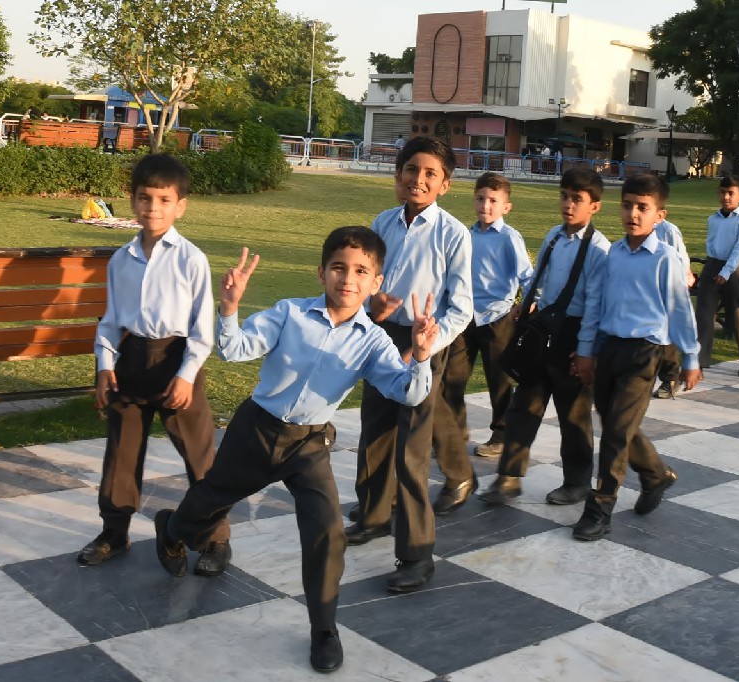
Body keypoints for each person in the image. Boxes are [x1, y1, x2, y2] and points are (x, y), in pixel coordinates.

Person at [154, 228, 439, 674]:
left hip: (309, 445)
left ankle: (324, 628)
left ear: (376, 282)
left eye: (361, 271)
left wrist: (420, 357)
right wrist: (229, 308)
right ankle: (171, 528)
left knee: (327, 532)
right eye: (339, 267)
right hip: (256, 431)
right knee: (208, 501)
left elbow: (408, 394)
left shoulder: (372, 340)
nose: (348, 279)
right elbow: (234, 349)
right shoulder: (289, 313)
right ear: (322, 272)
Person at [79, 154, 231, 576]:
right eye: (145, 198)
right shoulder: (121, 260)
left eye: (164, 200)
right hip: (130, 361)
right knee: (121, 452)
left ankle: (216, 538)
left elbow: (202, 329)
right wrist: (104, 365)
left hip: (176, 361)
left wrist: (186, 376)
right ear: (132, 201)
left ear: (180, 206)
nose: (153, 208)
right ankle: (114, 531)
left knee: (199, 454)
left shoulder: (190, 259)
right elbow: (111, 319)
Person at [345, 137, 473, 595]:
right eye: (411, 169)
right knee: (375, 432)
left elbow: (461, 307)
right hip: (382, 339)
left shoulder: (453, 234)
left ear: (445, 184)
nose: (418, 179)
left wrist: (425, 343)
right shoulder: (383, 223)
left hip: (425, 345)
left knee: (413, 449)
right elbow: (367, 280)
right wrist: (373, 304)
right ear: (398, 174)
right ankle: (374, 515)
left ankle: (417, 556)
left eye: (430, 174)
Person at [573, 173, 700, 540]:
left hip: (644, 353)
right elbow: (596, 305)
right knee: (616, 422)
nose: (633, 214)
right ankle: (656, 474)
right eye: (627, 205)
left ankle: (600, 508)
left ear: (659, 215)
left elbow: (680, 311)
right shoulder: (613, 253)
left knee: (615, 433)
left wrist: (690, 358)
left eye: (643, 208)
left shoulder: (665, 258)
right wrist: (586, 350)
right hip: (610, 347)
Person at [478, 168, 610, 507]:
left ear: (594, 206)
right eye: (564, 197)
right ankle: (509, 476)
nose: (568, 205)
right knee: (524, 405)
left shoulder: (598, 249)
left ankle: (577, 482)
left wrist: (586, 351)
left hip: (575, 334)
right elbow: (539, 276)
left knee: (573, 414)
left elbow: (595, 304)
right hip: (543, 331)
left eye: (577, 199)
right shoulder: (554, 235)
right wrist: (526, 305)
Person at [432, 173, 533, 510]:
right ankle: (454, 436)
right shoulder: (466, 234)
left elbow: (528, 276)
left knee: (499, 381)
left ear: (506, 206)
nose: (485, 206)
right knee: (452, 378)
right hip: (465, 317)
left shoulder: (509, 238)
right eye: (480, 199)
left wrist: (525, 305)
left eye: (492, 201)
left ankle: (501, 434)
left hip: (498, 317)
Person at [695, 175, 739, 376]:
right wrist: (713, 268)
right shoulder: (712, 219)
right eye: (723, 192)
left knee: (738, 314)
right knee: (704, 314)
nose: (726, 197)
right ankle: (700, 362)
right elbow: (711, 244)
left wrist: (726, 271)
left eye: (731, 193)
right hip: (712, 265)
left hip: (733, 268)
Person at [646, 183, 696, 399]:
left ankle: (670, 378)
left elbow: (682, 259)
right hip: (646, 292)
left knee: (666, 337)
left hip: (666, 290)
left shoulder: (668, 231)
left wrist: (682, 282)